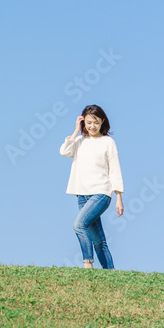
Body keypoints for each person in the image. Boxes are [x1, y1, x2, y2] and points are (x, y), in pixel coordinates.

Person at [59, 105, 124, 269]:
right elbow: (64, 151)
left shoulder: (108, 142)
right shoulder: (79, 141)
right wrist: (75, 131)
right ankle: (111, 273)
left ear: (102, 121)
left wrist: (119, 198)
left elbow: (115, 169)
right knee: (98, 240)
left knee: (79, 225)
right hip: (82, 194)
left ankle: (88, 264)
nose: (92, 126)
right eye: (88, 123)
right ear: (83, 123)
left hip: (101, 194)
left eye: (95, 122)